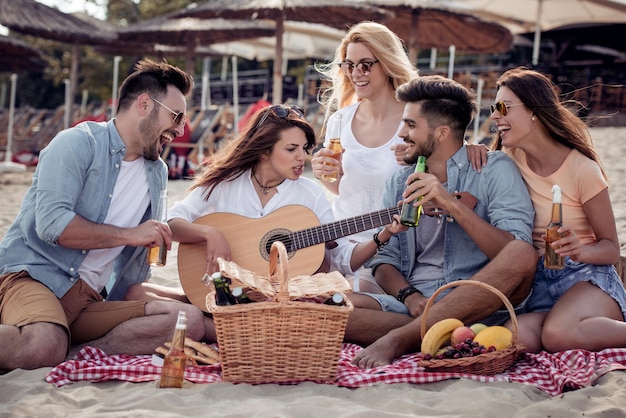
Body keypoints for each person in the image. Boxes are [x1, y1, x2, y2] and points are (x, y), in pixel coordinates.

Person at [0, 60, 206, 371]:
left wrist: (185, 298)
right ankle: (51, 344)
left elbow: (133, 277)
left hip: (90, 299)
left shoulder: (158, 173)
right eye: (176, 116)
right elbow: (52, 225)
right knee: (43, 342)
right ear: (145, 103)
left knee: (186, 322)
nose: (180, 128)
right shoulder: (77, 143)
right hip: (35, 278)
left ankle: (77, 354)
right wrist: (131, 235)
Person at [129, 104, 405, 310]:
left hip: (285, 301)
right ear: (264, 151)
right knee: (135, 292)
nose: (301, 158)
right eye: (291, 149)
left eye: (304, 149)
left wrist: (383, 235)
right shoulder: (225, 184)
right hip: (221, 290)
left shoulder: (310, 194)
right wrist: (210, 235)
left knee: (361, 303)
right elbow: (172, 222)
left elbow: (343, 259)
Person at [345, 75, 538, 369]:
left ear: (442, 132)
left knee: (523, 252)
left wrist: (451, 204)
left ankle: (399, 339)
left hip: (478, 301)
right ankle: (440, 334)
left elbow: (514, 253)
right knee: (337, 311)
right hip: (415, 304)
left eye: (410, 125)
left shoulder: (494, 169)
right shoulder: (399, 182)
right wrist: (409, 297)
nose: (400, 133)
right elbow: (385, 261)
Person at [466, 67, 626, 353]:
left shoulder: (582, 170)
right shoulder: (507, 162)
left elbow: (611, 249)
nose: (494, 116)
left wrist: (580, 250)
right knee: (514, 339)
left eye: (503, 107)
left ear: (534, 111)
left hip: (586, 278)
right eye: (493, 108)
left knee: (558, 335)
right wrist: (468, 150)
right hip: (538, 282)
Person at [311, 21, 418, 293]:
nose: (355, 73)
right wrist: (324, 175)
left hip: (393, 252)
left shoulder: (416, 119)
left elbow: (451, 167)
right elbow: (342, 189)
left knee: (347, 304)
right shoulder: (340, 121)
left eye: (365, 65)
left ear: (387, 63)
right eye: (349, 65)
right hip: (342, 247)